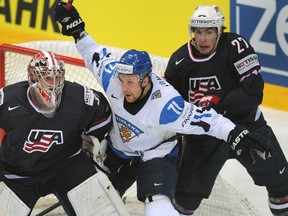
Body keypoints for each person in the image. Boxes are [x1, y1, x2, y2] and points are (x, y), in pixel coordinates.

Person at [54, 2, 271, 215]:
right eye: (122, 80)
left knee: (157, 207)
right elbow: (94, 53)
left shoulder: (166, 105)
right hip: (119, 151)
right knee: (91, 205)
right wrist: (77, 29)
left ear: (146, 80)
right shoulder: (113, 77)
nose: (124, 87)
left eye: (130, 82)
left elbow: (206, 119)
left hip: (156, 154)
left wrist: (236, 134)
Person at [164, 4, 288, 216]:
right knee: (184, 200)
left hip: (247, 126)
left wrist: (217, 102)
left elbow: (255, 92)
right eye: (199, 32)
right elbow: (171, 107)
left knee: (282, 186)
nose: (203, 39)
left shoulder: (235, 46)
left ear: (219, 32)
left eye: (209, 32)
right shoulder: (179, 62)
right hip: (205, 136)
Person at [0, 50, 112, 215]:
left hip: (67, 167)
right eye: (47, 77)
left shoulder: (79, 97)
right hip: (17, 175)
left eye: (57, 77)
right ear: (33, 77)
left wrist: (94, 141)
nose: (54, 83)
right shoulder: (8, 99)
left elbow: (103, 115)